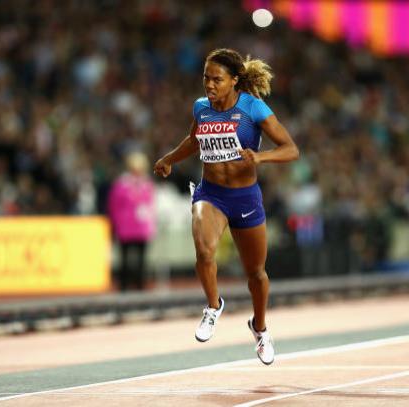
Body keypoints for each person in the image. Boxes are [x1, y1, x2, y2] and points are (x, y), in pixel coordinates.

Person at [153, 48, 299, 365]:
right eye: (206, 77)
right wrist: (169, 159)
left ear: (234, 80)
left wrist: (261, 157)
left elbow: (290, 149)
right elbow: (193, 140)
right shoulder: (201, 108)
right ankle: (213, 305)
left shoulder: (253, 107)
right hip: (211, 194)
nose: (209, 84)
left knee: (256, 274)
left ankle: (259, 328)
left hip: (245, 198)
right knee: (204, 251)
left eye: (217, 79)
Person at [108, 151, 156, 291]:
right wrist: (116, 224)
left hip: (141, 228)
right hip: (126, 227)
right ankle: (123, 287)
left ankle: (139, 286)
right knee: (125, 259)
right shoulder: (121, 185)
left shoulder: (146, 185)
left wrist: (150, 225)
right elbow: (114, 206)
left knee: (141, 260)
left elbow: (150, 206)